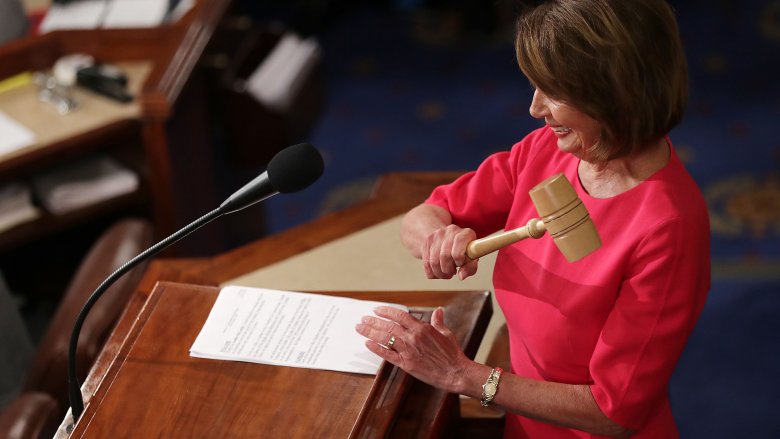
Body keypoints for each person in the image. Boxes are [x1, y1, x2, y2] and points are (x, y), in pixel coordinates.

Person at [355, 0, 711, 437]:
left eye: (554, 91)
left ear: (615, 90)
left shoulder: (668, 227)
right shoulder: (546, 150)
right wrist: (437, 236)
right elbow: (423, 214)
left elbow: (612, 412)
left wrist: (460, 375)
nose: (535, 108)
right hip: (525, 421)